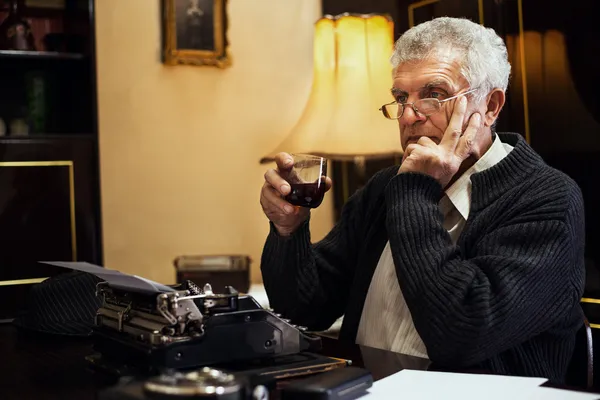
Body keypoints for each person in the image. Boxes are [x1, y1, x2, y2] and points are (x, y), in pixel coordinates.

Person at [259, 17, 585, 383]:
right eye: (401, 98)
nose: (409, 116)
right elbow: (304, 308)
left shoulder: (546, 198)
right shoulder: (385, 188)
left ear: (491, 106)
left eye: (433, 94)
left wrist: (415, 191)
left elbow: (461, 333)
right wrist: (288, 232)